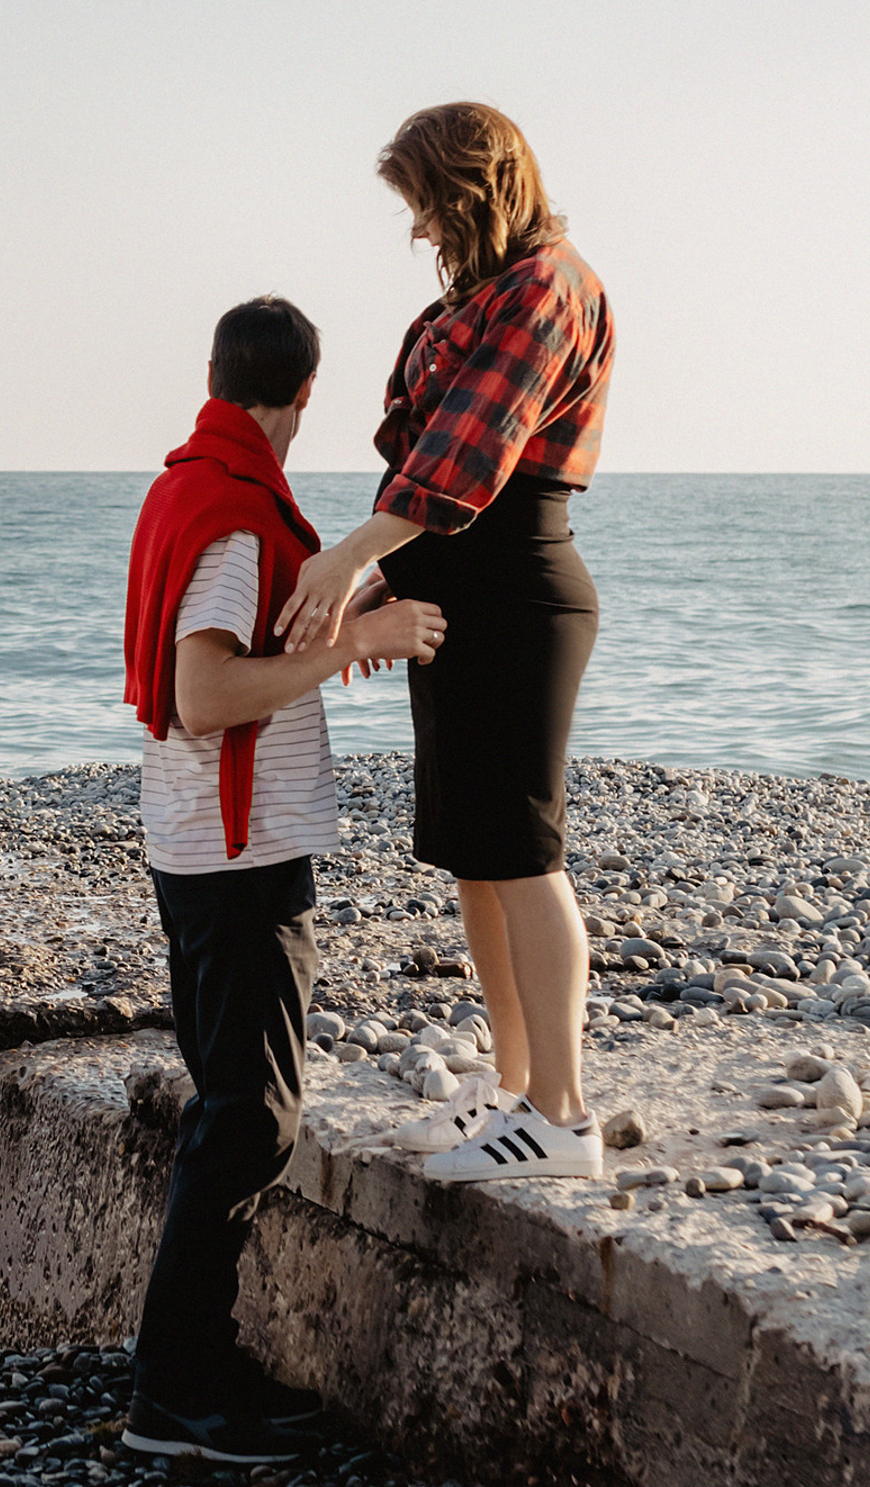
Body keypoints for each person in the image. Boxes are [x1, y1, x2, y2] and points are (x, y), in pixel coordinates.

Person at [122, 295, 447, 1463]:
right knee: (251, 1121)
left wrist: (337, 618)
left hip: (196, 841)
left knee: (229, 1110)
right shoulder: (237, 515)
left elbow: (230, 650)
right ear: (308, 394)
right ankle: (173, 1393)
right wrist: (361, 642)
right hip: (237, 852)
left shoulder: (188, 485)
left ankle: (197, 1368)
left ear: (217, 376)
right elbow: (206, 693)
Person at [275, 103, 615, 1184]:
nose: (418, 227)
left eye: (425, 202)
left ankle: (564, 1116)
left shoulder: (547, 287)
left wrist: (338, 562)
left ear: (471, 188)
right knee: (476, 854)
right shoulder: (486, 291)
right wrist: (388, 576)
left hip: (518, 587)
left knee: (523, 850)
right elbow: (432, 478)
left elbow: (466, 468)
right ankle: (515, 1094)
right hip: (465, 582)